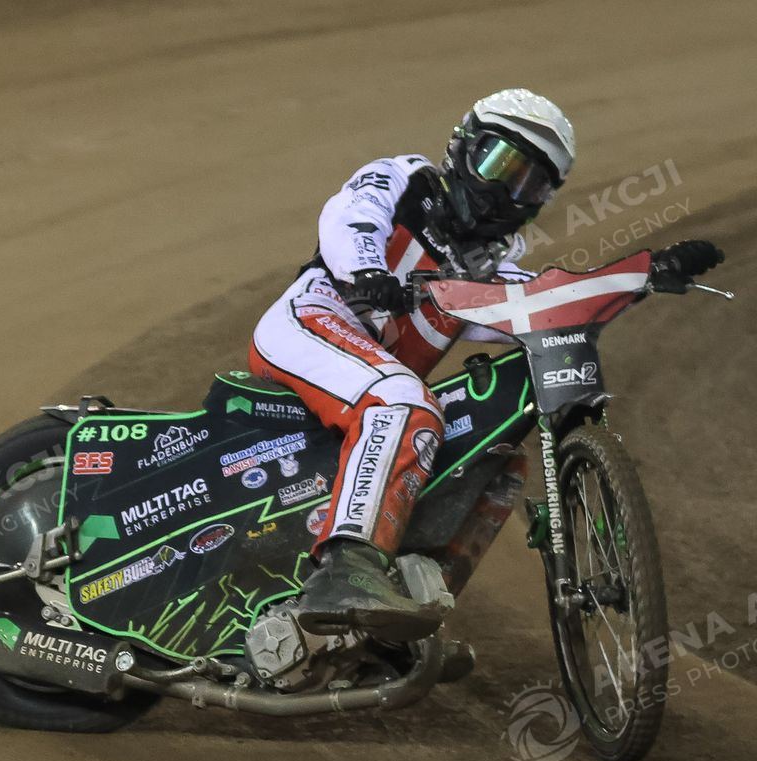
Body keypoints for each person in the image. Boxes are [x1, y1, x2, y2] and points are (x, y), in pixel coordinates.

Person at [248, 88, 721, 639]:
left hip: (368, 381)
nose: (505, 193)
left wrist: (645, 273)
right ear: (463, 146)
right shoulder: (405, 179)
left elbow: (547, 304)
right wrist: (366, 271)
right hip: (311, 321)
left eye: (529, 184)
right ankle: (346, 569)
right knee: (405, 401)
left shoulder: (489, 269)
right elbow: (351, 217)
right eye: (499, 163)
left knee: (497, 457)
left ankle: (398, 622)